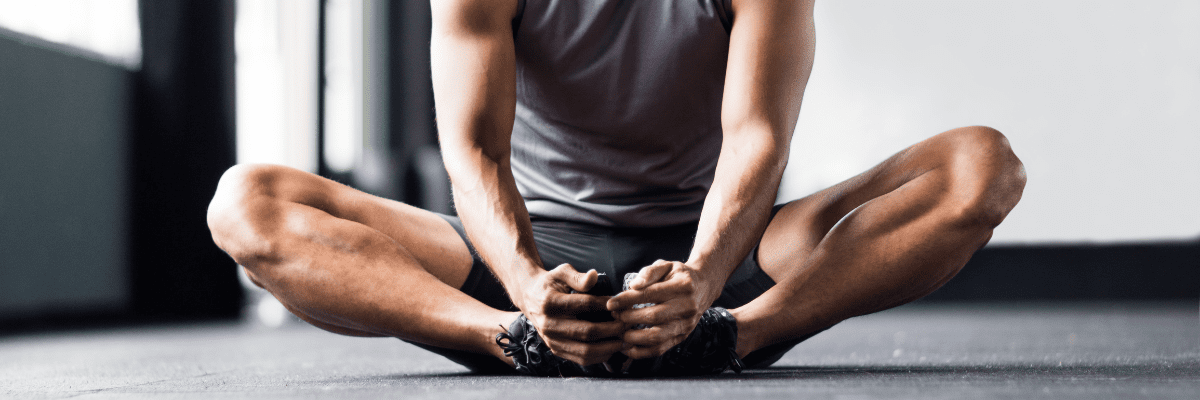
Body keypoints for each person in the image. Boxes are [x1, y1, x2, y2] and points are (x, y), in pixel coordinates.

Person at [206, 0, 1025, 376]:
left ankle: (731, 339)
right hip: (528, 252)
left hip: (721, 248)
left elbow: (757, 138)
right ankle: (507, 342)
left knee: (980, 166)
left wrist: (705, 281)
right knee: (247, 204)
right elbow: (475, 151)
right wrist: (526, 294)